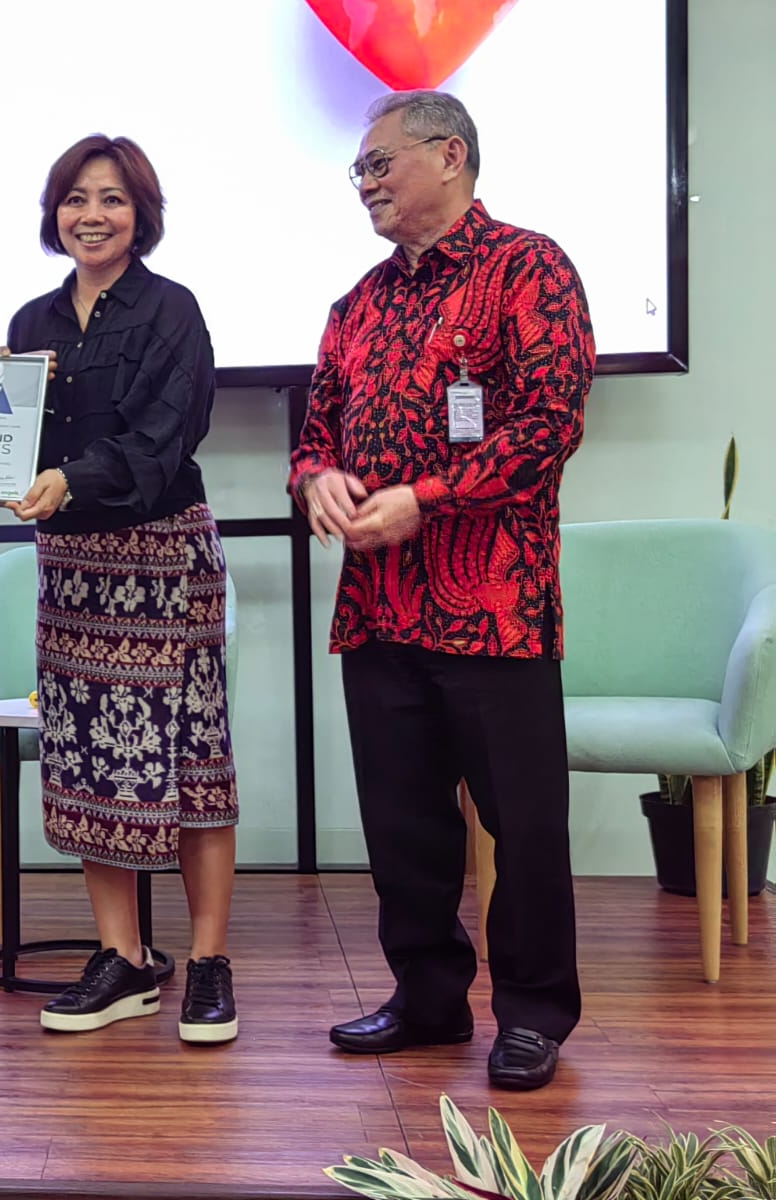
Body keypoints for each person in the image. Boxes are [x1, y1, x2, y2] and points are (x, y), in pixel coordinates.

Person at [289, 90, 593, 1090]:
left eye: (379, 164)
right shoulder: (355, 305)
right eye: (359, 171)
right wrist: (317, 481)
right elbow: (314, 438)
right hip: (378, 606)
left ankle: (535, 1013)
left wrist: (425, 499)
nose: (366, 185)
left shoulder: (528, 267)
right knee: (404, 825)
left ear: (449, 157)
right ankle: (425, 998)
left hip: (496, 606)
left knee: (525, 825)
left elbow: (547, 427)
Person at [4, 135, 239, 1045]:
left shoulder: (171, 310)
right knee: (94, 766)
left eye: (110, 198)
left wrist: (75, 477)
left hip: (161, 559)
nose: (90, 215)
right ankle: (124, 959)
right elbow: (12, 444)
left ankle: (209, 963)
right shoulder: (31, 323)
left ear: (142, 211)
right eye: (74, 198)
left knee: (190, 767)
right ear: (53, 212)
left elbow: (166, 435)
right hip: (74, 571)